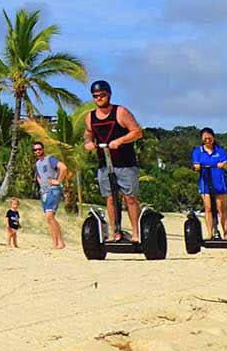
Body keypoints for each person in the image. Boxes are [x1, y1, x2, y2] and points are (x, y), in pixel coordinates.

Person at [82, 79, 143, 242]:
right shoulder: (90, 117)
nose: (99, 99)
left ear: (108, 95)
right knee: (109, 198)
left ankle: (137, 233)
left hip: (125, 163)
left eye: (102, 95)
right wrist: (88, 142)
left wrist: (120, 141)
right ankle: (115, 232)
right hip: (104, 164)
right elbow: (88, 133)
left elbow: (137, 132)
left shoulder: (120, 112)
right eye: (95, 96)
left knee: (129, 198)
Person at [192, 127, 227, 239]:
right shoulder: (198, 151)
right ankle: (210, 233)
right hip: (205, 182)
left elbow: (225, 162)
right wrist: (197, 167)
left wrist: (222, 165)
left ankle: (225, 233)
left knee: (221, 208)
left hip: (219, 182)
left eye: (209, 137)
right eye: (205, 138)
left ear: (213, 137)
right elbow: (196, 165)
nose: (207, 140)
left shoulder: (220, 150)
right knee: (208, 208)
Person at [31, 139, 68, 249]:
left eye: (39, 149)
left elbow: (63, 167)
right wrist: (41, 185)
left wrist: (58, 181)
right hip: (44, 191)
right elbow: (39, 176)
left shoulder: (50, 159)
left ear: (43, 149)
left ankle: (61, 242)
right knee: (49, 218)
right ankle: (55, 243)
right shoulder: (37, 163)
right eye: (35, 150)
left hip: (53, 189)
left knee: (49, 215)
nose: (37, 151)